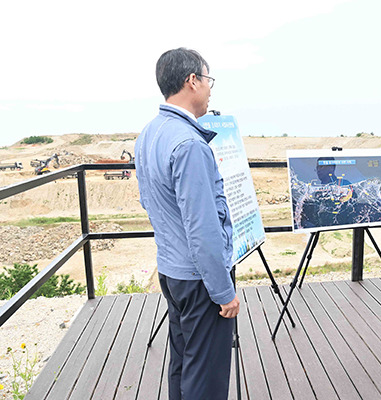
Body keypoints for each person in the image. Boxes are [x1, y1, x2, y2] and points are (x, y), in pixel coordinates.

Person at [135, 48, 239, 400]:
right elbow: (203, 228)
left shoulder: (150, 133)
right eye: (208, 80)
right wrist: (223, 292)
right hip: (199, 280)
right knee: (206, 377)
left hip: (172, 271)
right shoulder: (190, 144)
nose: (210, 89)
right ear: (191, 81)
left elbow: (151, 203)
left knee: (183, 363)